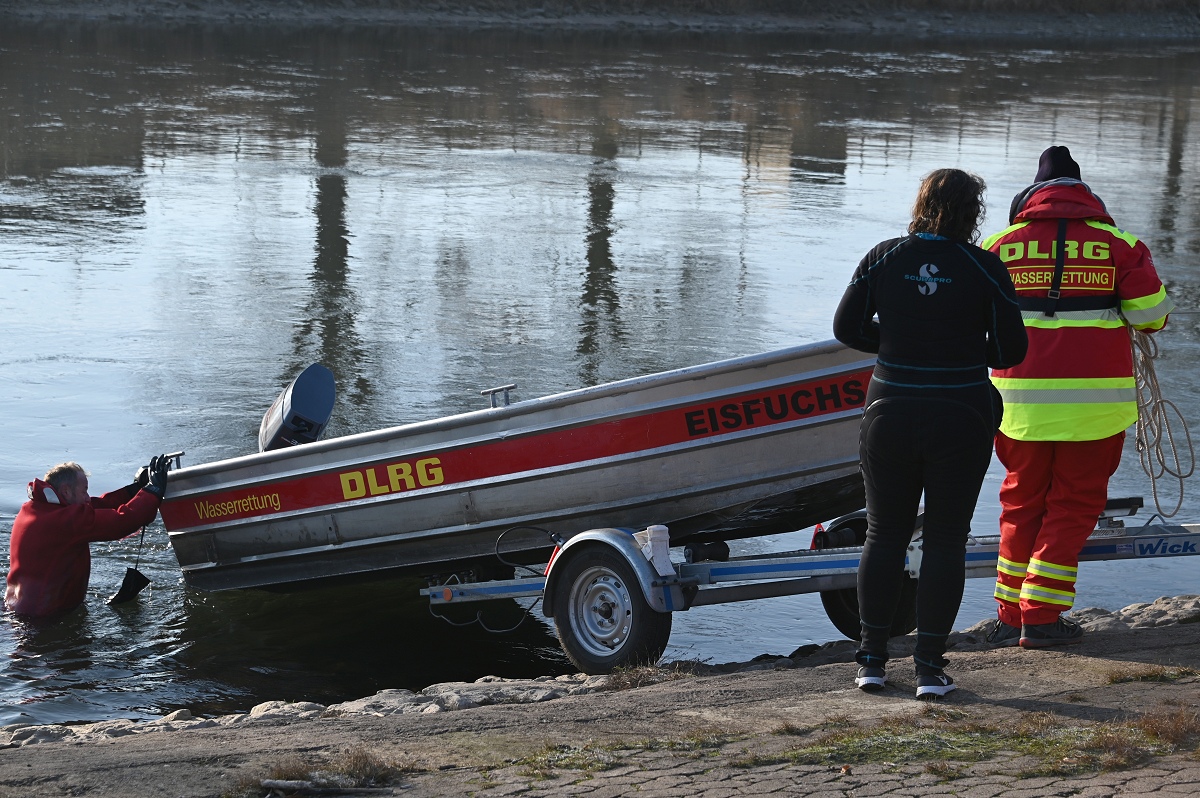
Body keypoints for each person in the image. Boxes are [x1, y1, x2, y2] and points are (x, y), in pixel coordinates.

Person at [833, 168, 1027, 698]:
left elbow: (847, 328)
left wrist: (901, 340)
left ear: (920, 205)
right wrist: (958, 349)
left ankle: (871, 662)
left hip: (889, 410)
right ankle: (928, 670)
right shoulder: (985, 266)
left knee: (883, 534)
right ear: (973, 213)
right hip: (960, 413)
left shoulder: (883, 256)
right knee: (945, 539)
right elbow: (1011, 350)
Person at [982, 146, 1174, 649]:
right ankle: (1041, 617)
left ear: (1031, 197)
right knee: (1072, 507)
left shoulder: (998, 244)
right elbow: (1153, 316)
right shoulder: (1120, 245)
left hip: (1015, 406)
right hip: (1093, 410)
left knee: (1020, 503)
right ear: (1087, 196)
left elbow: (971, 318)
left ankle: (1010, 616)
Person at [5, 455, 171, 618]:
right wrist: (153, 490)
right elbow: (122, 521)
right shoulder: (65, 521)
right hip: (44, 618)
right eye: (84, 491)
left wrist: (136, 490)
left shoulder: (33, 509)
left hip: (17, 609)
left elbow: (96, 506)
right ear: (66, 491)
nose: (87, 497)